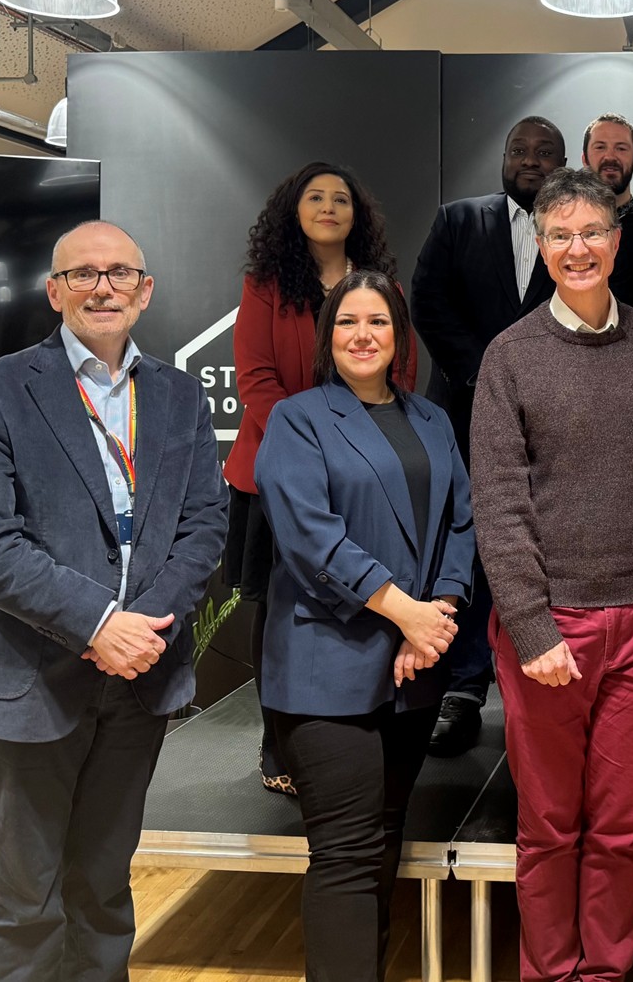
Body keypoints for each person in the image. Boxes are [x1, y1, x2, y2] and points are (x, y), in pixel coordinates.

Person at [0, 221, 228, 981]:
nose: (103, 287)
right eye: (83, 274)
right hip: (30, 682)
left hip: (138, 680)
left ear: (145, 290)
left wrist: (145, 629)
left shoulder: (177, 394)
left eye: (119, 272)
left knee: (103, 889)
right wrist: (99, 625)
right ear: (54, 291)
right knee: (24, 900)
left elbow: (205, 522)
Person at [471, 168, 633, 982]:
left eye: (592, 231)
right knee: (550, 826)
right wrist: (532, 628)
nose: (578, 248)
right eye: (559, 235)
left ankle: (603, 973)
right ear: (540, 244)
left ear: (617, 240)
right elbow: (499, 504)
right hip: (550, 626)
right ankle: (551, 971)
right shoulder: (510, 355)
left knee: (623, 828)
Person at [255, 270, 474, 982]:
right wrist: (406, 613)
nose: (363, 335)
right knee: (346, 854)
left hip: (415, 668)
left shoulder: (432, 419)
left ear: (400, 336)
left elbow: (462, 524)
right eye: (348, 321)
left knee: (384, 840)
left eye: (378, 321)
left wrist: (436, 617)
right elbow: (309, 538)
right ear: (328, 336)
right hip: (327, 666)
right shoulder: (298, 418)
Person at [224, 161, 413, 794]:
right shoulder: (266, 285)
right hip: (276, 474)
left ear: (357, 214)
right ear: (294, 209)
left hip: (366, 475)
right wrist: (309, 445)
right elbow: (255, 379)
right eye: (315, 197)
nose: (328, 207)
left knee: (366, 592)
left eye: (341, 199)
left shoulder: (381, 287)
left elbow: (401, 374)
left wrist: (359, 449)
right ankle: (276, 744)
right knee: (280, 606)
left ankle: (364, 724)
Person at [411, 115, 565, 757]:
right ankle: (462, 689)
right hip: (464, 413)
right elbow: (428, 301)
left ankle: (544, 677)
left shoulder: (575, 233)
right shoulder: (458, 220)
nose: (530, 160)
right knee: (470, 548)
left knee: (541, 548)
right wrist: (483, 374)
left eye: (544, 152)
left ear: (562, 164)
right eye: (519, 150)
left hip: (556, 420)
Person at [581, 112, 633, 310]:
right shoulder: (564, 228)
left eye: (621, 148)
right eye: (600, 147)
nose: (610, 156)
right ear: (584, 159)